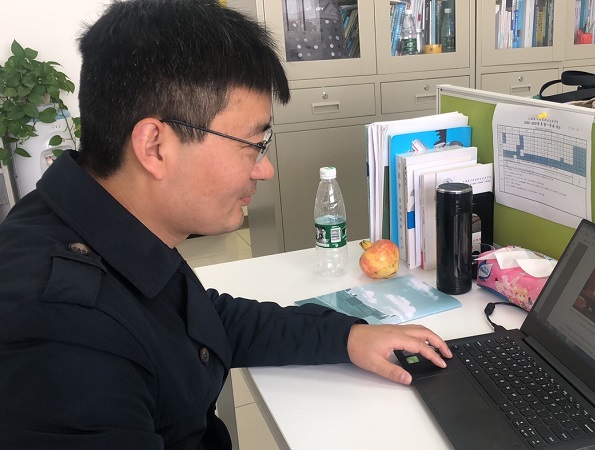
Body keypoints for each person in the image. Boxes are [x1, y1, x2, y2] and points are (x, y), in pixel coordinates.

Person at [0, 1, 451, 448]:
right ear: (154, 147)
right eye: (253, 144)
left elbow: (198, 319)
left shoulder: (102, 222)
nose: (264, 169)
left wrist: (348, 336)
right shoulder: (63, 333)